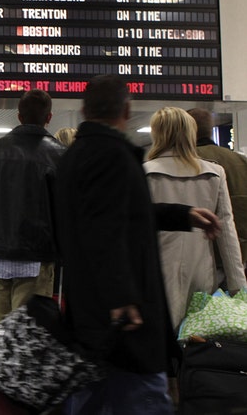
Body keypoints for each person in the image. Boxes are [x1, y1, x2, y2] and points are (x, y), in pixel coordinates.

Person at [56, 75, 222, 414]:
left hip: (88, 313)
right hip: (124, 321)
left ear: (84, 110)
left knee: (92, 397)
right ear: (127, 109)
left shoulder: (74, 158)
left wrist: (182, 214)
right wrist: (122, 298)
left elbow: (121, 214)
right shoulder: (111, 155)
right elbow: (105, 229)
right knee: (141, 397)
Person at [144, 107, 247, 330]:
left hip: (157, 276)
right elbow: (227, 234)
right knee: (198, 342)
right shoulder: (214, 173)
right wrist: (238, 286)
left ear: (158, 134)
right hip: (202, 274)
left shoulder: (144, 173)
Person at [0, 89, 65, 327]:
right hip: (36, 256)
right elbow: (62, 211)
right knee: (28, 334)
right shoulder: (57, 154)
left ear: (19, 116)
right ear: (49, 117)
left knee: (0, 330)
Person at [188, 107, 247, 265]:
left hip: (201, 258)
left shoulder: (185, 162)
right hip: (240, 257)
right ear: (210, 129)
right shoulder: (241, 162)